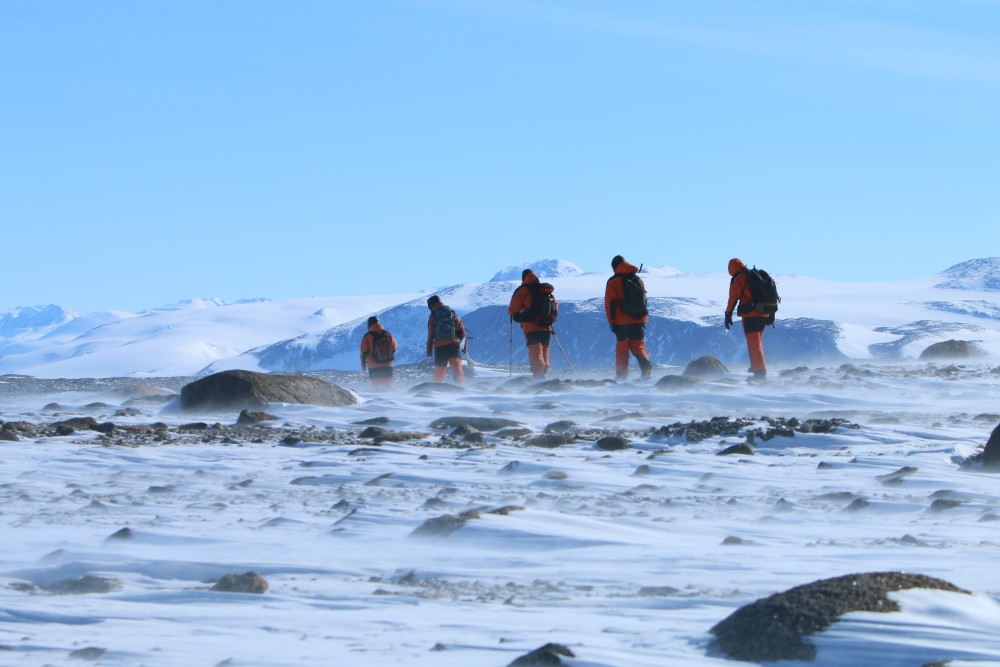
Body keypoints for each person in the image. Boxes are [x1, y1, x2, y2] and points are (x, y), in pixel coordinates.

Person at [605, 255, 653, 380]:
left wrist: (611, 322)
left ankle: (621, 376)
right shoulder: (638, 280)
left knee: (622, 348)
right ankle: (646, 368)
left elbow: (610, 304)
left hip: (621, 321)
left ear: (614, 267)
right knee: (638, 345)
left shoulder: (613, 281)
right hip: (639, 319)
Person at [725, 258, 771, 382]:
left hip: (751, 315)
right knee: (757, 343)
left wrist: (728, 315)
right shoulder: (755, 275)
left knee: (754, 344)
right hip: (764, 313)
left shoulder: (739, 278)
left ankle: (760, 374)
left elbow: (733, 298)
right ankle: (756, 368)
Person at [507, 269, 558, 378]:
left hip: (531, 326)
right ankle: (545, 371)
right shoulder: (545, 290)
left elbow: (513, 309)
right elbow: (555, 309)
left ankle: (538, 377)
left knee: (535, 350)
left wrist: (517, 315)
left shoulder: (524, 290)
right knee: (545, 348)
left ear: (523, 278)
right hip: (546, 326)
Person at [425, 295, 465, 383]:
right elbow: (462, 332)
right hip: (454, 345)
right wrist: (464, 348)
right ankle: (460, 387)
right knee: (457, 368)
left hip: (440, 346)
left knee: (440, 369)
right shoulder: (452, 314)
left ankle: (437, 387)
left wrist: (429, 351)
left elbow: (431, 334)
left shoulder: (433, 316)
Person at [360, 316, 398, 389]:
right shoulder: (387, 334)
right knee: (389, 382)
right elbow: (394, 347)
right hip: (387, 363)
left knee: (376, 384)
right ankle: (392, 396)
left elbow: (364, 351)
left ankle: (378, 399)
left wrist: (363, 363)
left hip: (373, 364)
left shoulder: (367, 336)